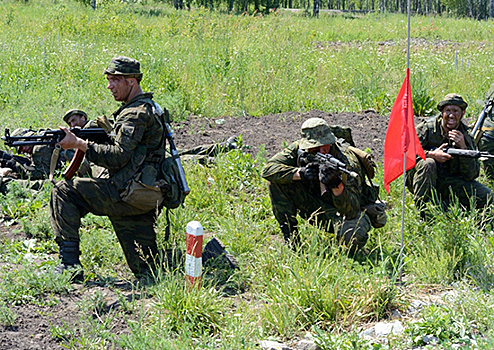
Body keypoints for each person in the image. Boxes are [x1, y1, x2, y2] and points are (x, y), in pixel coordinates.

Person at [50, 56, 168, 282]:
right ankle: (208, 256)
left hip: (127, 194)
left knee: (63, 191)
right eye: (108, 80)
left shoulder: (135, 113)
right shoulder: (148, 107)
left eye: (115, 80)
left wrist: (80, 144)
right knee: (149, 270)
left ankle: (69, 266)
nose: (109, 86)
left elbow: (118, 157)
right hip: (142, 192)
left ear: (131, 81)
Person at [261, 117, 371, 253]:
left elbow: (352, 211)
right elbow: (267, 170)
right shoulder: (299, 149)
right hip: (312, 203)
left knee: (353, 234)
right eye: (315, 146)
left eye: (326, 144)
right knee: (275, 181)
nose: (322, 150)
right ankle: (291, 238)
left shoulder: (347, 163)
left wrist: (337, 187)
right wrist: (300, 173)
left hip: (338, 213)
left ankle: (351, 255)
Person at [407, 93, 492, 215]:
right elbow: (406, 153)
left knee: (487, 196)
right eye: (448, 111)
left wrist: (463, 148)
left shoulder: (466, 135)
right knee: (428, 163)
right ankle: (423, 211)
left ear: (462, 114)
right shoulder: (428, 128)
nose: (451, 115)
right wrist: (431, 155)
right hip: (423, 180)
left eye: (456, 111)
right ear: (442, 112)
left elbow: (471, 175)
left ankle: (445, 207)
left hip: (451, 182)